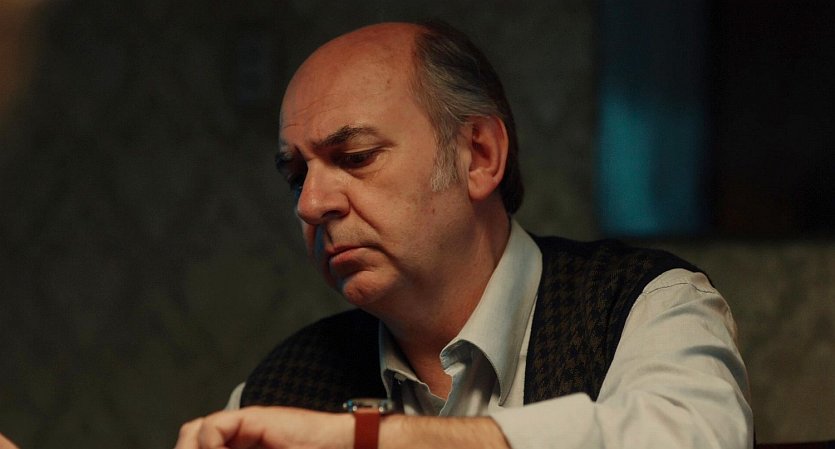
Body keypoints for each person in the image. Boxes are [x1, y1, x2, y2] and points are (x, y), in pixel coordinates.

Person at [175, 21, 753, 449]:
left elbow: (698, 437)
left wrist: (381, 440)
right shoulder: (278, 386)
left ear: (479, 155)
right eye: (296, 176)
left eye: (355, 156)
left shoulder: (643, 302)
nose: (311, 203)